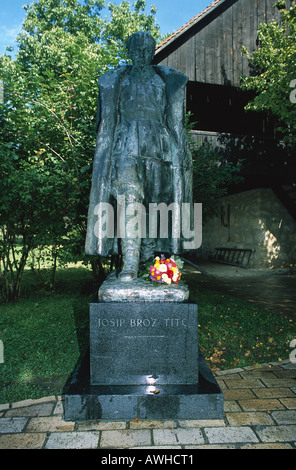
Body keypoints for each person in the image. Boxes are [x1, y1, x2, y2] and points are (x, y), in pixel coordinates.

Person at [85, 31, 192, 282]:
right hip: (125, 146)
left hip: (159, 149)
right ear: (130, 52)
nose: (142, 55)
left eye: (147, 49)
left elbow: (176, 123)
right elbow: (106, 122)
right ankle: (130, 262)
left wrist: (181, 154)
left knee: (156, 207)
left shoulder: (166, 81)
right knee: (129, 200)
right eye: (137, 50)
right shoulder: (116, 81)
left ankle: (150, 260)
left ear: (153, 51)